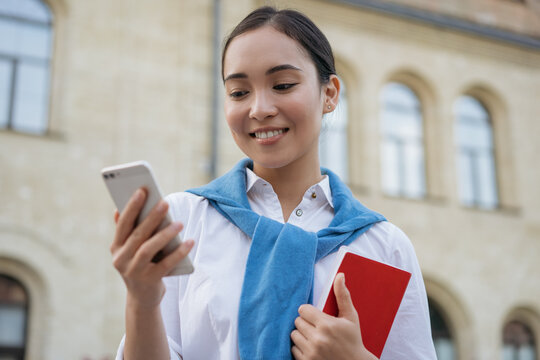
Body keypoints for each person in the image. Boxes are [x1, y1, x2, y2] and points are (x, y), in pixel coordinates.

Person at [112, 6, 437, 360]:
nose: (259, 108)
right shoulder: (184, 222)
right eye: (239, 92)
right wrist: (141, 301)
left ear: (329, 94)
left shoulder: (384, 247)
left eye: (282, 85)